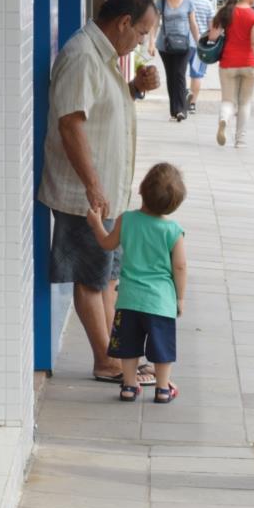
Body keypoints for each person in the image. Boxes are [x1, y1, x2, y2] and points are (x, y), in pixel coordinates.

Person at [38, 0, 161, 387]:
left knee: (108, 276)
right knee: (91, 277)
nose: (142, 42)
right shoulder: (81, 56)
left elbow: (100, 110)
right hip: (85, 197)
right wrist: (92, 185)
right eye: (141, 33)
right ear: (123, 22)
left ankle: (119, 353)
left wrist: (135, 89)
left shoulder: (104, 56)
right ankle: (105, 360)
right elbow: (71, 124)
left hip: (107, 193)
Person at [86, 163, 187, 404]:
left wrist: (96, 224)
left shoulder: (127, 220)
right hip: (160, 302)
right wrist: (180, 298)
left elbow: (108, 244)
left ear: (141, 190)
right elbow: (180, 267)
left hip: (129, 299)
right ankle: (163, 389)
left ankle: (129, 386)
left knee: (128, 345)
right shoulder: (173, 231)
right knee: (162, 348)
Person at [209, 0, 254, 148]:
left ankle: (224, 119)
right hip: (249, 64)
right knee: (245, 103)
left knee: (228, 100)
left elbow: (212, 37)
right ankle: (240, 141)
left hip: (228, 63)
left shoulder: (226, 12)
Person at [149, 0, 200, 122]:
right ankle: (174, 110)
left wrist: (199, 43)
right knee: (171, 76)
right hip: (165, 45)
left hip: (185, 44)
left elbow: (193, 24)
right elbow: (154, 23)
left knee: (179, 74)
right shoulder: (161, 3)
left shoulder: (188, 3)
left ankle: (181, 110)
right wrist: (151, 42)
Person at [186, 0, 215, 114]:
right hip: (200, 44)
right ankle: (192, 104)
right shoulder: (207, 3)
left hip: (182, 42)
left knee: (179, 73)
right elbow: (211, 27)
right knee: (196, 75)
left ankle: (180, 101)